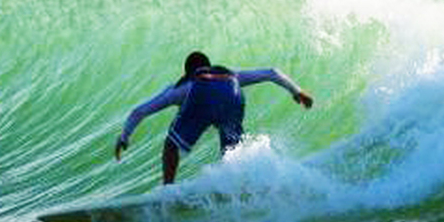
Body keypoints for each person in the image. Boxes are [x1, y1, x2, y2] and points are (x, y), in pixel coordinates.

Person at [115, 51, 313, 184]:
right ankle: (238, 187)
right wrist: (297, 91)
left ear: (188, 71)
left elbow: (139, 112)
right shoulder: (231, 74)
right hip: (232, 90)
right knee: (231, 151)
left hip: (200, 94)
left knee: (171, 145)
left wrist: (124, 137)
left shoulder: (182, 87)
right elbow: (272, 73)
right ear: (208, 66)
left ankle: (168, 190)